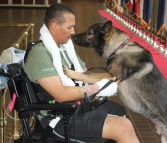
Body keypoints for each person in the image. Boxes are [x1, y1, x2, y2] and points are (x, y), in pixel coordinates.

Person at [24, 3, 140, 143]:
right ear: (54, 25)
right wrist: (96, 88)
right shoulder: (40, 54)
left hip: (76, 106)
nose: (73, 32)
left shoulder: (64, 50)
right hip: (58, 117)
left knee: (119, 112)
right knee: (123, 127)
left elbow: (84, 75)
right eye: (69, 27)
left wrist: (110, 81)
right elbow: (61, 94)